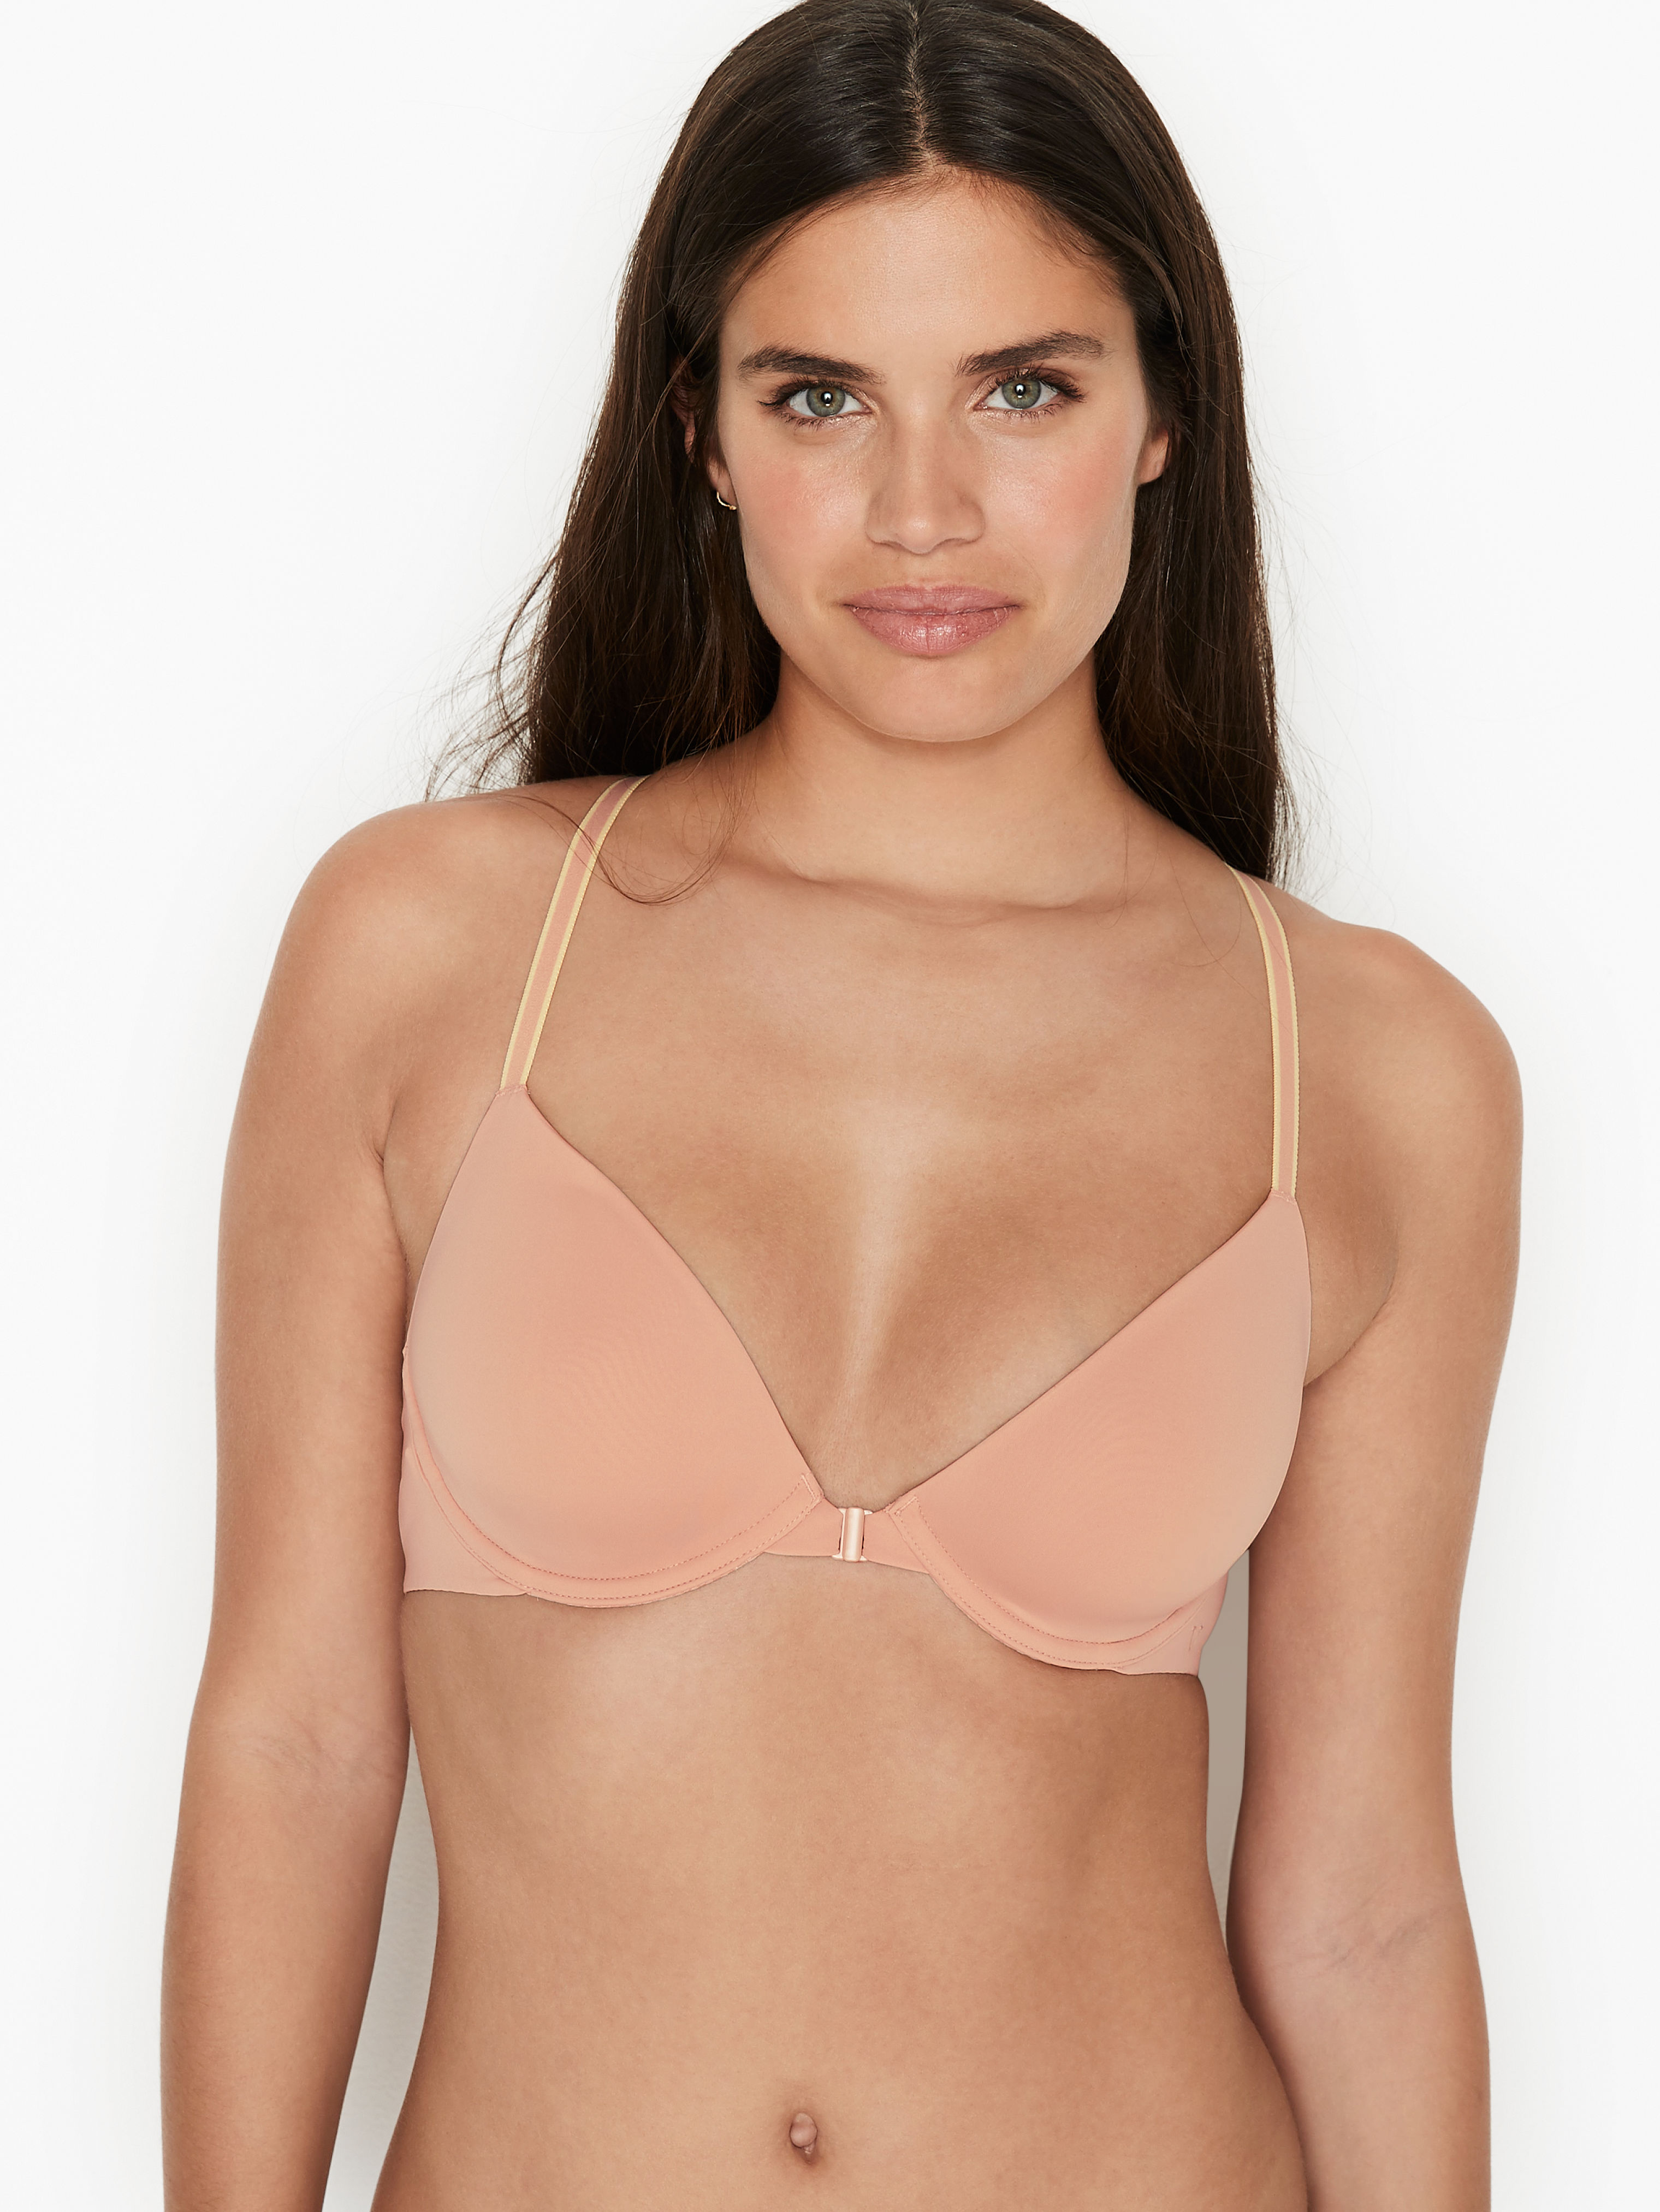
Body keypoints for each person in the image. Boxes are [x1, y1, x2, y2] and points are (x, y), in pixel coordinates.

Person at [161, 2, 1519, 2204]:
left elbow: (1362, 1898)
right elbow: (293, 1742)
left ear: (1162, 414)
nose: (921, 510)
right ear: (698, 432)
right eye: (818, 396)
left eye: (1024, 387)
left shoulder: (1372, 1068)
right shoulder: (434, 951)